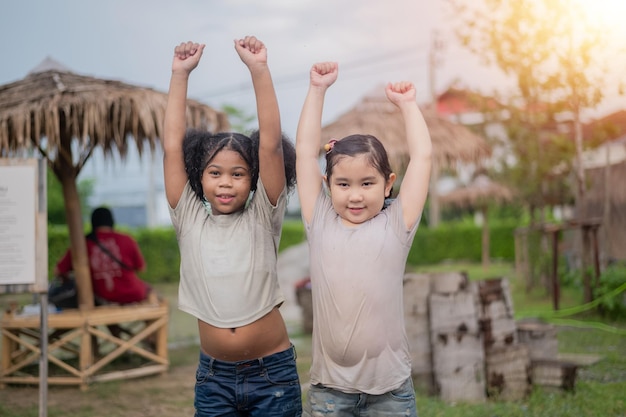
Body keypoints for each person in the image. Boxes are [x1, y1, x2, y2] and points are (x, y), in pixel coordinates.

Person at [163, 36, 301, 417]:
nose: (226, 182)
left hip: (272, 376)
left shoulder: (263, 216)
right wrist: (179, 76)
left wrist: (258, 69)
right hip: (214, 380)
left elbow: (271, 145)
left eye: (238, 173)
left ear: (253, 180)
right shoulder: (189, 218)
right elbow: (172, 147)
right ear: (199, 178)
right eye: (215, 173)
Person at [295, 62, 433, 417]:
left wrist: (408, 105)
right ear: (327, 187)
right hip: (330, 392)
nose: (355, 195)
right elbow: (304, 152)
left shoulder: (396, 224)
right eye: (343, 184)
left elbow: (423, 157)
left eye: (367, 184)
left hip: (390, 392)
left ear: (388, 184)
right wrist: (317, 89)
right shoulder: (321, 219)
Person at [54, 206, 151, 306]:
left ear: (92, 222)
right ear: (112, 221)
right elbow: (141, 268)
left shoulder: (82, 244)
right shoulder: (127, 239)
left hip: (100, 298)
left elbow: (58, 271)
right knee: (151, 291)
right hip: (134, 294)